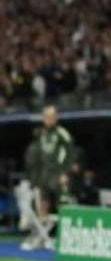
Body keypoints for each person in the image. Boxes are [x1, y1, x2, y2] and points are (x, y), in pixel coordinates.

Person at [23, 105, 75, 250]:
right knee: (42, 205)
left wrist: (65, 172)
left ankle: (65, 237)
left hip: (58, 174)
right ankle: (44, 236)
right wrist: (35, 176)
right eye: (46, 116)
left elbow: (70, 153)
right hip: (43, 175)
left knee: (62, 205)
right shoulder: (41, 134)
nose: (49, 119)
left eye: (51, 116)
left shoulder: (62, 133)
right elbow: (37, 156)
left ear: (56, 118)